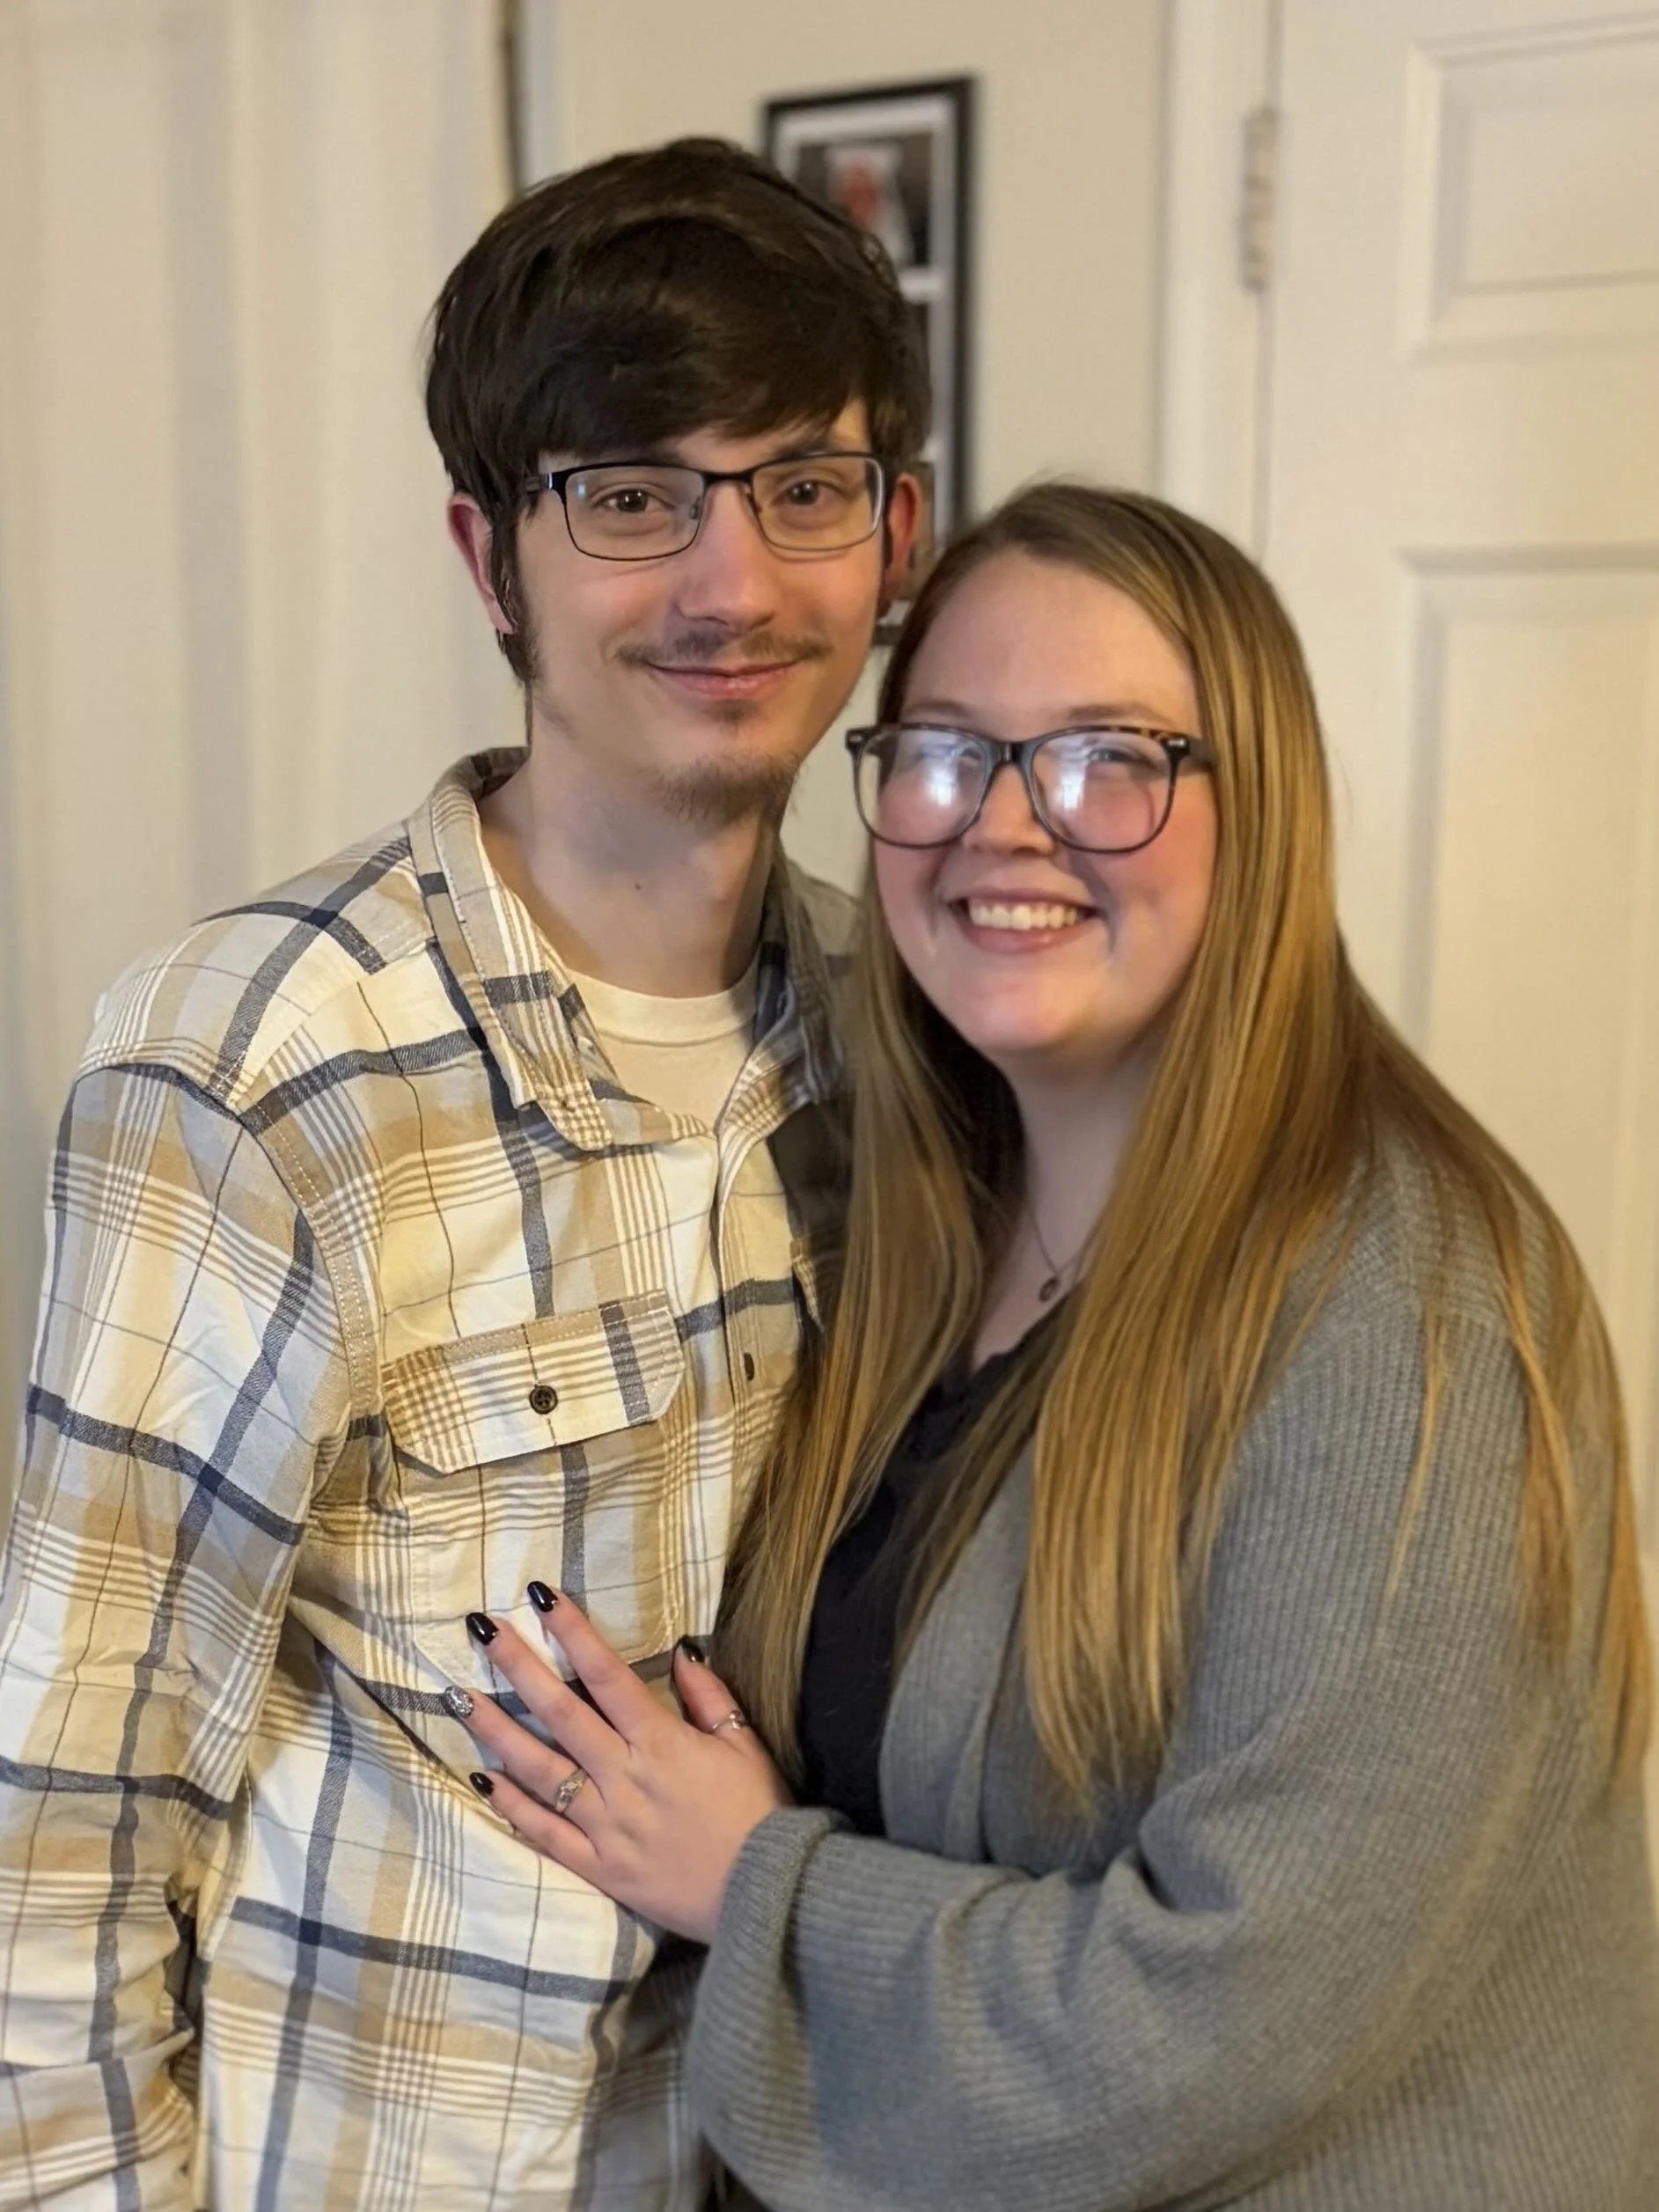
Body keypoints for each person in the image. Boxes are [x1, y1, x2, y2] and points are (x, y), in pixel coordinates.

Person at [456, 482, 1659, 2210]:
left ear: (1264, 810)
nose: (1006, 826)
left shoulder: (1406, 1313)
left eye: (1111, 757)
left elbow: (1209, 2019)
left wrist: (748, 1878)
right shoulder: (942, 1225)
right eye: (946, 753)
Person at [0, 138, 923, 2209]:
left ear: (898, 534)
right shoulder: (251, 1063)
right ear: (488, 555)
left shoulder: (910, 1042)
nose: (732, 579)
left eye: (803, 484)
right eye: (628, 494)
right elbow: (63, 1825)